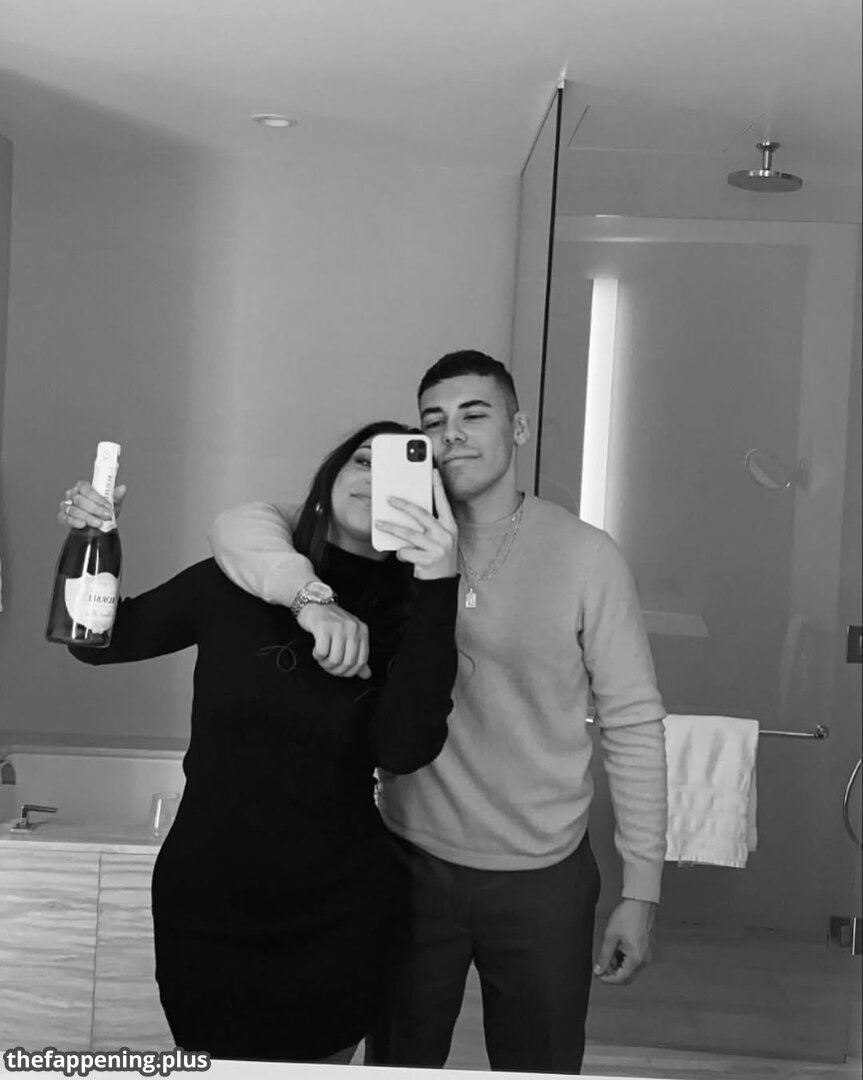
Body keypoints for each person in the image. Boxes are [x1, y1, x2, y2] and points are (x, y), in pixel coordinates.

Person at [208, 351, 668, 1075]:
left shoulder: (586, 557)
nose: (451, 434)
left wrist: (641, 889)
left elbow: (633, 723)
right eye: (432, 421)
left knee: (541, 1064)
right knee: (399, 1060)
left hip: (542, 873)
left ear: (518, 429)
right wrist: (307, 594)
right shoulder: (384, 536)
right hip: (408, 860)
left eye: (473, 415)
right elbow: (243, 523)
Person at [55, 419, 461, 1065]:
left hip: (338, 914)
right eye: (363, 460)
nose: (376, 478)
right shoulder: (238, 578)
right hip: (207, 902)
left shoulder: (412, 613)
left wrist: (439, 586)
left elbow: (403, 750)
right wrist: (93, 539)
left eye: (402, 473)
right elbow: (98, 642)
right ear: (327, 482)